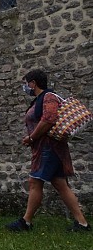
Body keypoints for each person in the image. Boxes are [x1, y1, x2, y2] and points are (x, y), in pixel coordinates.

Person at [6, 69, 91, 232]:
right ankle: (82, 224)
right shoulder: (39, 99)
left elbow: (49, 119)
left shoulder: (48, 97)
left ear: (33, 83)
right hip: (47, 148)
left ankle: (26, 222)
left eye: (26, 84)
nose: (26, 87)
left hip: (48, 148)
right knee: (60, 184)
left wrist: (32, 137)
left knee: (35, 182)